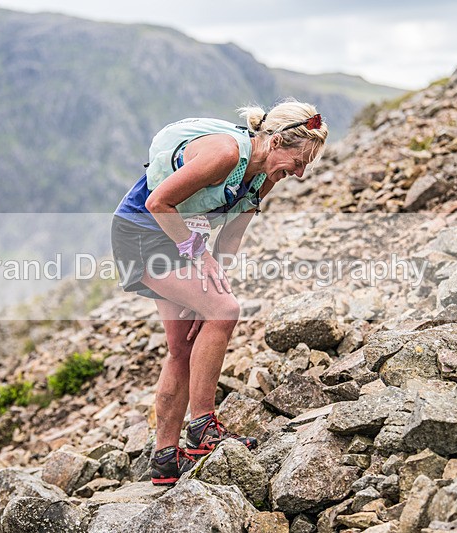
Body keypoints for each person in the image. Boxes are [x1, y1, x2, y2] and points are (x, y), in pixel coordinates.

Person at [111, 99, 328, 485]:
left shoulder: (265, 177)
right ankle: (203, 428)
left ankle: (164, 458)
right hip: (143, 233)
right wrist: (201, 265)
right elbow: (157, 202)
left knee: (184, 345)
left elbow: (228, 241)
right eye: (298, 163)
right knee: (226, 311)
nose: (298, 174)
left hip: (172, 237)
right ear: (276, 141)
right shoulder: (225, 153)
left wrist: (207, 291)